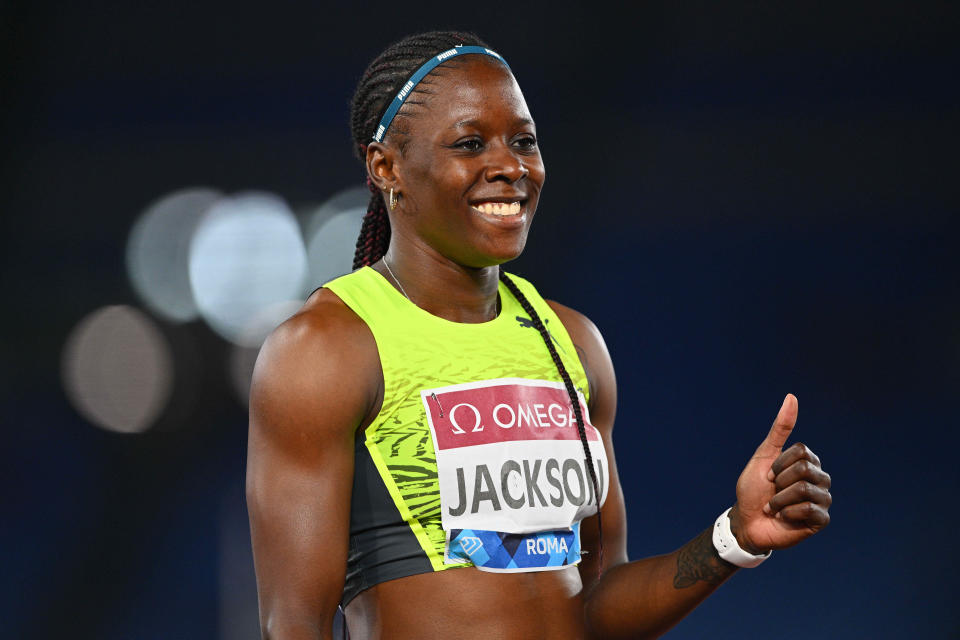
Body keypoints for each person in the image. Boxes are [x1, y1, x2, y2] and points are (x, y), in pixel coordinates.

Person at [245, 31, 832, 640]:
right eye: (470, 144)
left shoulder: (573, 343)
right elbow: (293, 624)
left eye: (524, 141)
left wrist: (733, 536)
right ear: (386, 167)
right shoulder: (327, 347)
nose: (509, 166)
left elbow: (599, 603)